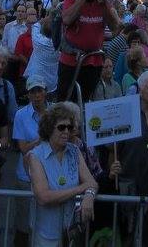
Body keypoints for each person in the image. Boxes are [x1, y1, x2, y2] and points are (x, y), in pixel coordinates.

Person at [26, 103, 97, 247]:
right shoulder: (35, 156)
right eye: (61, 127)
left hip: (71, 230)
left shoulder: (75, 151)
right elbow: (44, 196)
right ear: (49, 128)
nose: (66, 131)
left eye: (69, 127)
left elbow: (92, 182)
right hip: (46, 233)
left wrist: (89, 195)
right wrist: (79, 189)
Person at [57, 0, 120, 103]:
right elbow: (67, 20)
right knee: (66, 98)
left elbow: (115, 27)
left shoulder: (102, 1)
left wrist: (104, 4)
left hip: (94, 60)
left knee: (86, 98)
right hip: (72, 60)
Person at [12, 76, 50, 244]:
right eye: (32, 92)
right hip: (26, 176)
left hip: (50, 174)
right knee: (23, 223)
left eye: (39, 91)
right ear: (28, 94)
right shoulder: (20, 115)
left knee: (47, 222)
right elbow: (22, 148)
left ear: (45, 92)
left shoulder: (55, 113)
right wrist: (41, 139)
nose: (36, 95)